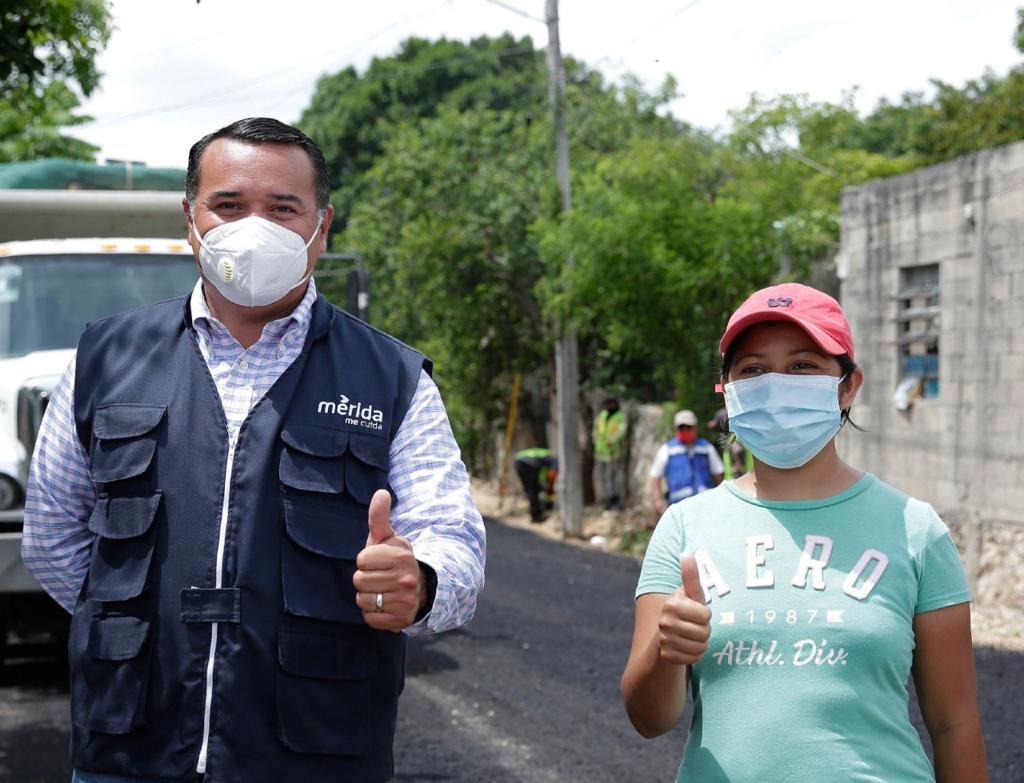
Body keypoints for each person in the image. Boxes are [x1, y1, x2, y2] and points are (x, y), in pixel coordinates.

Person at [20, 118, 486, 783]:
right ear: (191, 218)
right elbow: (52, 539)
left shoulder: (393, 377)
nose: (253, 227)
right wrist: (134, 623)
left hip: (318, 752)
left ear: (322, 228)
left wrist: (420, 583)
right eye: (229, 205)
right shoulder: (104, 357)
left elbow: (455, 541)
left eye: (283, 208)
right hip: (128, 752)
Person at [621, 283, 987, 782]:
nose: (777, 383)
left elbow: (954, 724)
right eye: (752, 369)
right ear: (726, 390)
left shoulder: (916, 530)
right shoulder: (684, 526)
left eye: (803, 366)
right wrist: (668, 652)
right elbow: (648, 718)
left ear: (848, 385)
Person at [648, 409, 723, 515]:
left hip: (706, 507)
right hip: (678, 509)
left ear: (695, 428)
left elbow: (718, 473)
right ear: (676, 429)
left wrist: (720, 498)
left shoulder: (706, 447)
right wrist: (658, 500)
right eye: (681, 428)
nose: (684, 430)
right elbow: (655, 476)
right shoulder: (667, 449)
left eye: (688, 427)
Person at [593, 396, 627, 510]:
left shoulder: (620, 417)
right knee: (604, 477)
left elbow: (621, 431)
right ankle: (607, 499)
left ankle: (615, 500)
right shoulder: (602, 415)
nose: (609, 407)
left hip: (613, 453)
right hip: (601, 452)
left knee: (611, 477)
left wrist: (612, 441)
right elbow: (596, 430)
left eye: (611, 404)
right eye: (608, 404)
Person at [707, 407, 753, 480]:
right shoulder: (725, 412)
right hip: (730, 440)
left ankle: (738, 471)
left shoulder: (725, 412)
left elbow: (713, 424)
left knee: (736, 451)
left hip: (735, 439)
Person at [513, 447, 558, 523]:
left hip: (518, 460)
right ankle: (536, 516)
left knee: (530, 490)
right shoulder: (554, 460)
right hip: (529, 463)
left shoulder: (545, 456)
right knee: (533, 490)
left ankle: (536, 513)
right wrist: (550, 489)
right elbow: (552, 474)